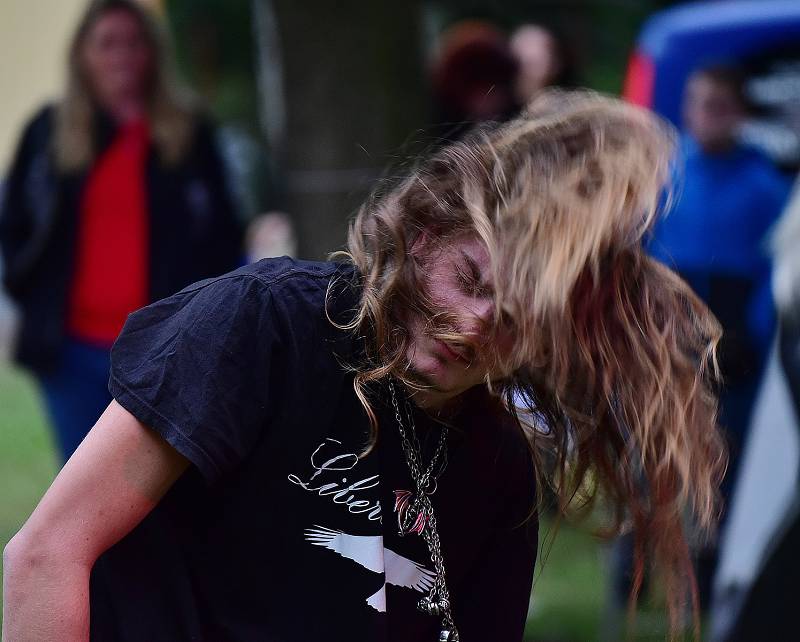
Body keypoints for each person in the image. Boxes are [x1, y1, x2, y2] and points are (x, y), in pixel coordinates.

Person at [3, 91, 726, 642]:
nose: (474, 325)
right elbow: (46, 555)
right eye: (469, 280)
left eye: (511, 321)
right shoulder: (266, 326)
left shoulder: (499, 467)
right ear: (424, 235)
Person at [0, 0, 243, 461]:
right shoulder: (48, 131)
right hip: (71, 351)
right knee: (82, 486)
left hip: (165, 351)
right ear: (82, 55)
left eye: (134, 43)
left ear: (153, 53)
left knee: (167, 495)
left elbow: (224, 234)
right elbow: (14, 224)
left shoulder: (188, 133)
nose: (122, 56)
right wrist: (29, 293)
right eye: (107, 44)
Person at [647, 65, 792, 607]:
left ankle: (712, 574)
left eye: (719, 105)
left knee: (723, 461)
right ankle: (637, 569)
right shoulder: (663, 174)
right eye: (699, 103)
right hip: (667, 341)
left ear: (738, 114)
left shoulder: (765, 187)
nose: (707, 116)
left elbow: (776, 273)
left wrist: (748, 335)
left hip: (735, 350)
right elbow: (640, 259)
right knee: (653, 457)